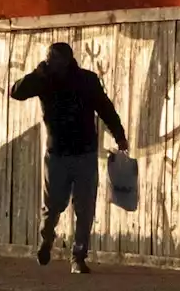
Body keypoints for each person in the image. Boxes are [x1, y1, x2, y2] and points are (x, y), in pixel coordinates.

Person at [9, 42, 128, 274]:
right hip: (57, 156)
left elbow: (105, 108)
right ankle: (47, 238)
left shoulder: (86, 80)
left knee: (84, 208)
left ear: (66, 61)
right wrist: (37, 73)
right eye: (48, 59)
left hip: (85, 153)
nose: (50, 62)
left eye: (54, 59)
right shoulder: (44, 80)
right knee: (53, 205)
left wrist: (119, 136)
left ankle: (78, 257)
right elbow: (16, 91)